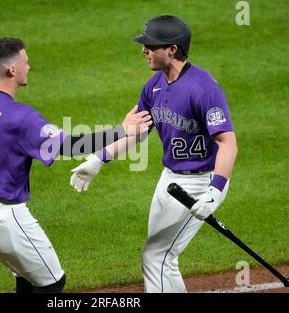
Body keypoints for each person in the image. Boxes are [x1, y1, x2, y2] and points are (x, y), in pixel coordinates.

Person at [0, 37, 152, 293]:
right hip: (4, 218)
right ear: (12, 70)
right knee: (53, 282)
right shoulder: (21, 117)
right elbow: (70, 147)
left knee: (27, 276)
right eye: (26, 62)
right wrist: (122, 130)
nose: (29, 67)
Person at [70, 15, 238, 293]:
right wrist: (98, 160)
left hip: (200, 183)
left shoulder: (204, 89)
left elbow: (227, 143)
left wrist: (214, 192)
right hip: (169, 179)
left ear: (171, 50)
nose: (144, 49)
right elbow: (137, 130)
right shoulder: (154, 86)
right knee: (159, 256)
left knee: (157, 256)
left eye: (150, 45)